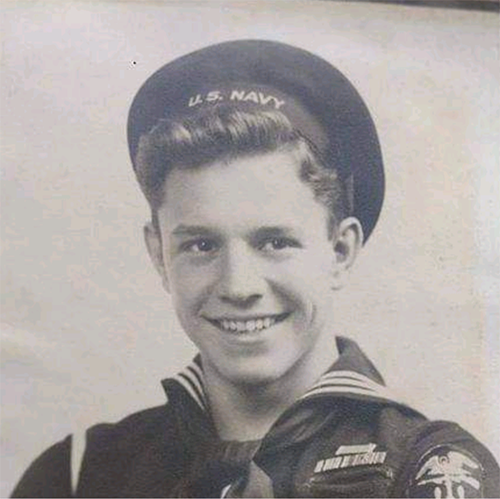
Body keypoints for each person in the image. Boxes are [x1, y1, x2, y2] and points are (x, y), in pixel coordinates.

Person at [11, 40, 500, 498]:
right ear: (159, 254)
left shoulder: (428, 469)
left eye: (275, 242)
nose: (238, 286)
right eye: (201, 245)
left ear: (340, 250)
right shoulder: (79, 475)